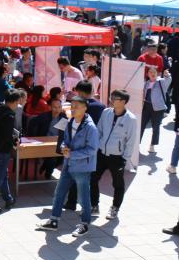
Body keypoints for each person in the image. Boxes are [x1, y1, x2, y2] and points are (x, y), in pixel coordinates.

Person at [36, 96, 99, 237]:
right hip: (68, 164)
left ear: (85, 108)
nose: (73, 109)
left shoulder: (90, 127)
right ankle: (53, 220)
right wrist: (63, 147)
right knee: (59, 193)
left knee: (83, 197)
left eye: (77, 106)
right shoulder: (70, 121)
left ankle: (84, 224)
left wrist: (72, 154)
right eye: (72, 106)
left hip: (82, 167)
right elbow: (65, 139)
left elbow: (92, 150)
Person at [91, 89, 137, 220]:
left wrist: (125, 158)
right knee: (92, 178)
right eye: (112, 97)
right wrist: (96, 147)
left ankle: (115, 208)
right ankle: (94, 205)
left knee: (118, 184)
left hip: (117, 157)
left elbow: (131, 140)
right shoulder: (106, 112)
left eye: (115, 98)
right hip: (101, 153)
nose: (112, 100)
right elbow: (99, 130)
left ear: (123, 101)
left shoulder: (130, 119)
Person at [141, 66, 171, 153]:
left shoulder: (161, 81)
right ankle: (137, 144)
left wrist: (167, 75)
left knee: (155, 127)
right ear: (147, 74)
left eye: (154, 72)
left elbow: (168, 80)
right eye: (150, 72)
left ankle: (152, 145)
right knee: (141, 125)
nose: (152, 73)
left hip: (158, 108)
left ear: (157, 73)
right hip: (147, 106)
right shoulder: (146, 83)